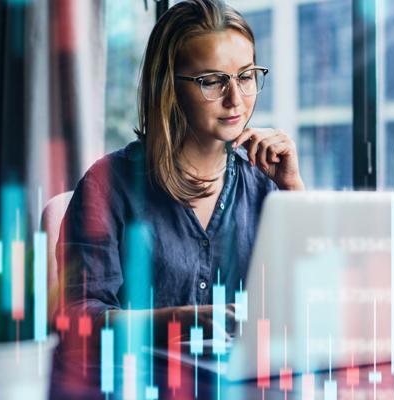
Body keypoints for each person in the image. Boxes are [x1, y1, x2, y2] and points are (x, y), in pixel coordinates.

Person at [57, 0, 303, 345]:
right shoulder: (108, 184)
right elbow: (77, 318)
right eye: (212, 81)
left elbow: (313, 303)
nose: (236, 99)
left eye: (246, 76)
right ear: (168, 86)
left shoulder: (266, 183)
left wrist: (293, 189)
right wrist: (177, 321)